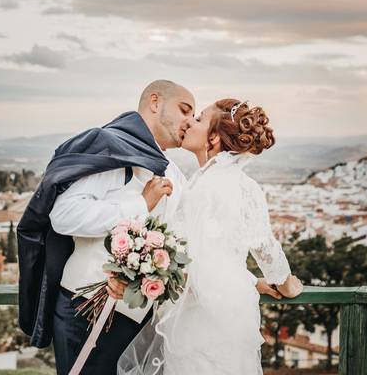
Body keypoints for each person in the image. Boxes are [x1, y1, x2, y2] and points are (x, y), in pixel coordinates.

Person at [16, 80, 195, 375]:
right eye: (184, 109)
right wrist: (140, 205)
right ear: (154, 102)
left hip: (137, 322)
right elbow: (64, 215)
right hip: (88, 311)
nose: (190, 120)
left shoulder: (172, 169)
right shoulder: (112, 148)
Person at [116, 99, 303, 375]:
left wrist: (279, 284)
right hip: (215, 323)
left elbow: (256, 249)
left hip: (197, 326)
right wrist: (284, 285)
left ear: (214, 138)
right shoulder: (230, 184)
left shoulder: (205, 185)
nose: (190, 121)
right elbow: (239, 252)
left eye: (200, 119)